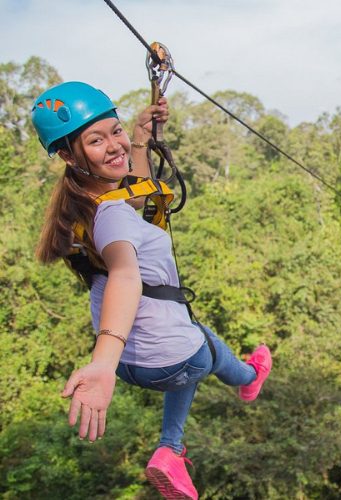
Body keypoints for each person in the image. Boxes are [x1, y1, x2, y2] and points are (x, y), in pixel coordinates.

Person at [31, 81, 272, 499]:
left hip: (132, 363)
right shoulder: (112, 217)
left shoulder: (84, 206)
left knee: (187, 347)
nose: (114, 145)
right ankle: (250, 378)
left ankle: (171, 448)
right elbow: (125, 275)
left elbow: (133, 198)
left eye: (116, 130)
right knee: (206, 352)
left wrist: (140, 140)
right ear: (69, 155)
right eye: (96, 140)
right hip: (145, 358)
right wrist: (101, 364)